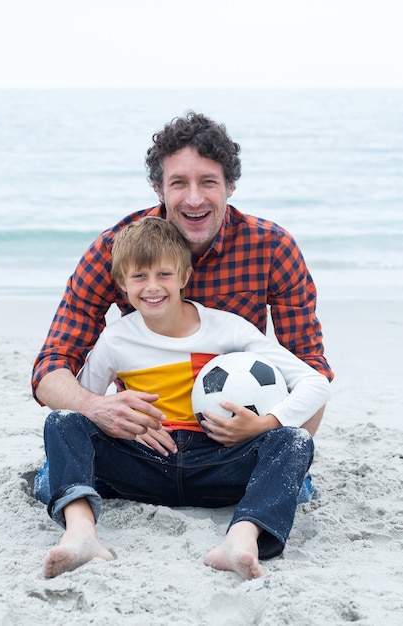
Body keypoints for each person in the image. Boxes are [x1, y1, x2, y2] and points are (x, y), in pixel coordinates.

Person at [42, 217, 330, 579]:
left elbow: (316, 384)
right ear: (121, 284)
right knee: (62, 422)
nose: (152, 287)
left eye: (164, 274)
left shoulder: (228, 329)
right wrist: (123, 424)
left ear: (184, 276)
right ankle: (81, 533)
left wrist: (264, 424)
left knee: (294, 440)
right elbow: (88, 406)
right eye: (139, 277)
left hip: (216, 462)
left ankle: (241, 538)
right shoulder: (116, 340)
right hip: (145, 465)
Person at [31, 112, 334, 447]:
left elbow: (309, 366)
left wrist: (280, 446)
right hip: (152, 435)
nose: (193, 199)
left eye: (208, 181)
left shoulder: (272, 248)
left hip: (238, 431)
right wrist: (97, 407)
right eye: (178, 183)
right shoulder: (115, 249)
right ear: (158, 188)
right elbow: (51, 366)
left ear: (230, 186)